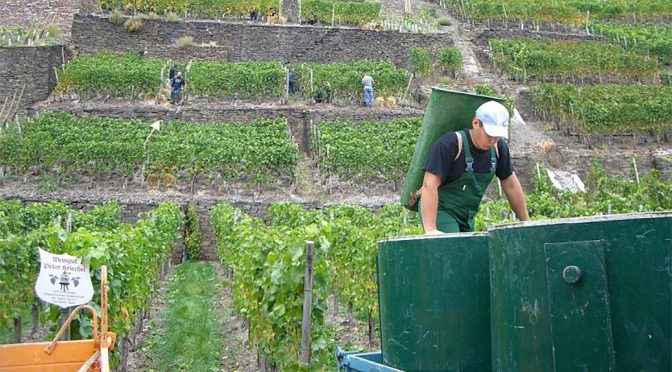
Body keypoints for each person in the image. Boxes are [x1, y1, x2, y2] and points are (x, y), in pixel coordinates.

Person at [418, 101, 529, 234]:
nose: (493, 140)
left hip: (467, 215)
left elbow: (510, 185)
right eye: (489, 135)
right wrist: (431, 230)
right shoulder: (450, 144)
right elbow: (429, 185)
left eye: (497, 136)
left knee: (470, 251)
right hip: (441, 210)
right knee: (452, 248)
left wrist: (526, 223)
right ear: (476, 123)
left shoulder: (499, 149)